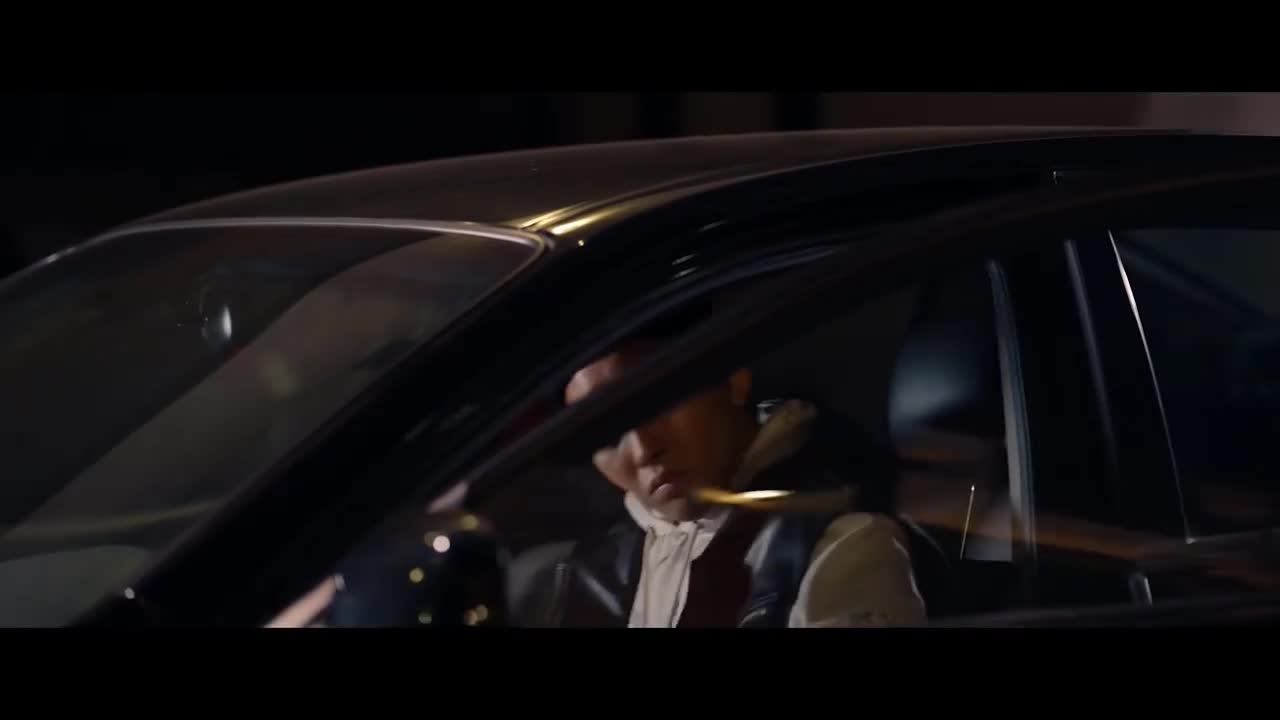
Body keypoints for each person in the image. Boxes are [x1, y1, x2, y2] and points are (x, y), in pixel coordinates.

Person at [514, 308, 931, 628]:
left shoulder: (840, 541)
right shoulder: (572, 578)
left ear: (732, 379)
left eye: (657, 401)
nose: (643, 449)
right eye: (605, 433)